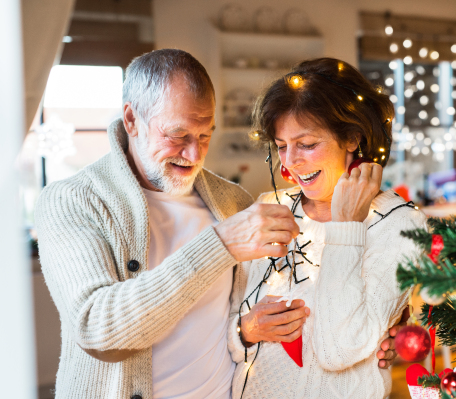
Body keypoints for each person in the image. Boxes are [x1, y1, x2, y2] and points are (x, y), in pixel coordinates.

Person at [35, 49, 399, 399]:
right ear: (131, 119)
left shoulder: (232, 202)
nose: (193, 154)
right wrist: (219, 244)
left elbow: (263, 310)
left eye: (205, 135)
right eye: (177, 136)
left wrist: (386, 322)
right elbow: (98, 330)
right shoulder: (72, 201)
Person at [228, 58, 427, 399]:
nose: (290, 161)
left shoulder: (400, 224)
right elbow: (231, 333)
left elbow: (339, 351)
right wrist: (244, 331)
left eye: (306, 144)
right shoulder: (269, 208)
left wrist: (346, 225)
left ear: (352, 137)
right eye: (281, 146)